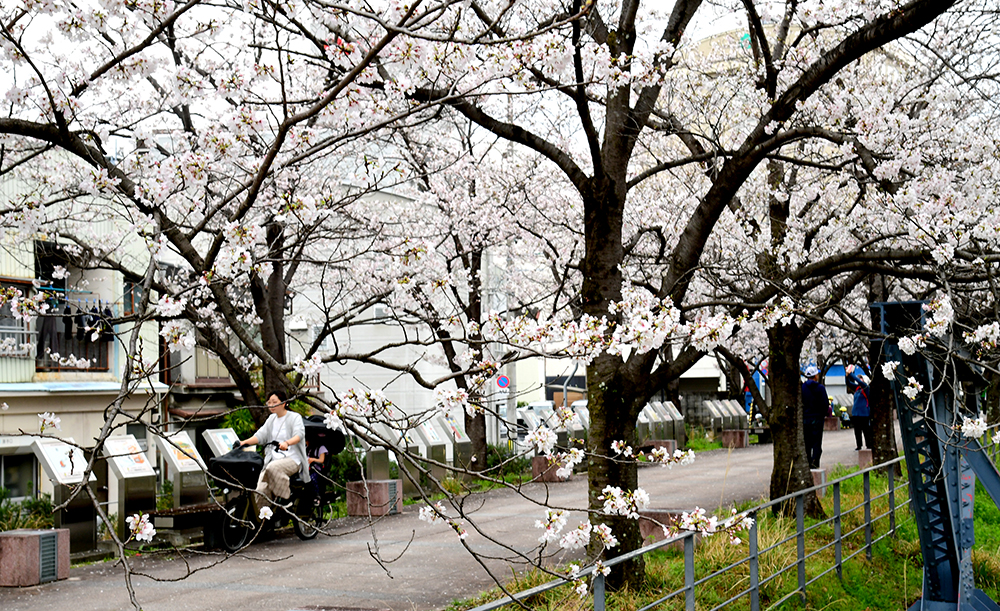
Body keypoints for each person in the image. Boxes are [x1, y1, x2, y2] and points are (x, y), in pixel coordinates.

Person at [239, 391, 309, 511]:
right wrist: (244, 442)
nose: (271, 405)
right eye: (269, 402)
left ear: (284, 403)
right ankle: (265, 520)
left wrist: (287, 443)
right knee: (260, 490)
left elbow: (299, 435)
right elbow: (261, 435)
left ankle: (285, 500)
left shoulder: (294, 417)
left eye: (274, 402)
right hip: (272, 460)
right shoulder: (271, 419)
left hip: (292, 459)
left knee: (273, 468)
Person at [801, 365, 830, 470]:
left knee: (807, 443)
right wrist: (823, 414)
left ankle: (808, 463)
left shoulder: (802, 388)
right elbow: (825, 404)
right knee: (817, 443)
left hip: (805, 419)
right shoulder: (820, 388)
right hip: (817, 419)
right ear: (815, 376)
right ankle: (815, 463)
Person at [845, 364, 873, 451]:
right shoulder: (857, 388)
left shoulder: (866, 388)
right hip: (856, 413)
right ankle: (859, 445)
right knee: (857, 431)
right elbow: (848, 383)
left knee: (866, 430)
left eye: (861, 378)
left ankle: (869, 445)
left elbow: (860, 382)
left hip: (864, 413)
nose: (859, 379)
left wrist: (851, 374)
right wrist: (846, 375)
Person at [305, 438, 328, 502]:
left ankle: (317, 496)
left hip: (317, 470)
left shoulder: (321, 448)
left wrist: (313, 460)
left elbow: (321, 460)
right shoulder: (308, 448)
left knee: (312, 478)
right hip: (307, 469)